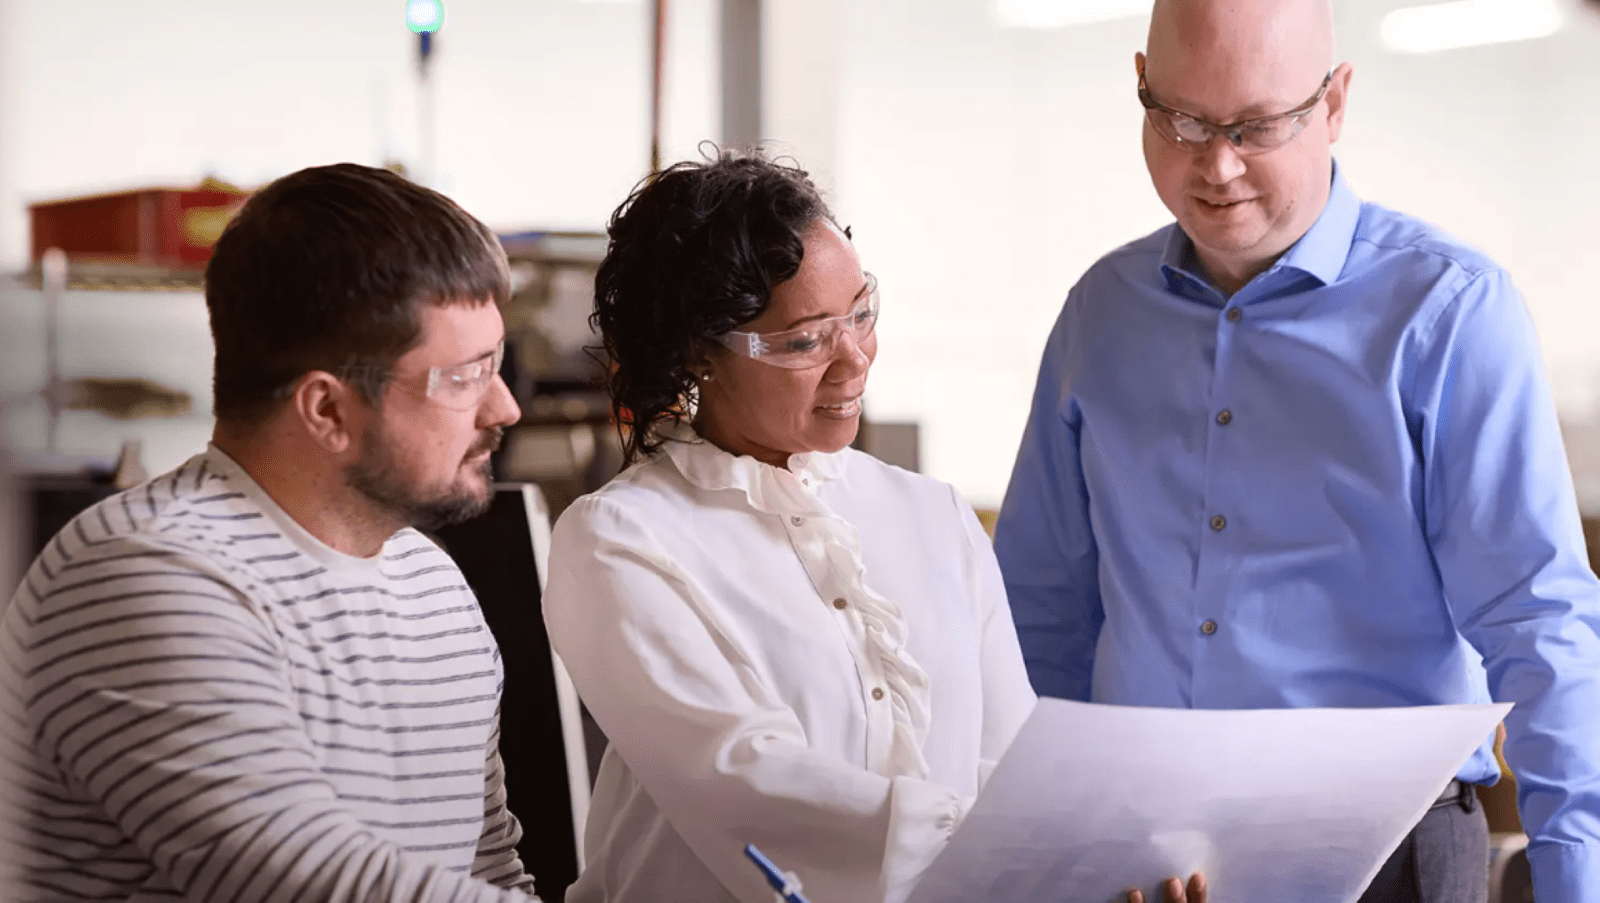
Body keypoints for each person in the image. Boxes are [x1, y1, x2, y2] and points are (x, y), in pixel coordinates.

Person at [993, 1, 1600, 901]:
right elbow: (1035, 621)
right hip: (1145, 854)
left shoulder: (1448, 314)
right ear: (1141, 88)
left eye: (1258, 126)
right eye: (1183, 121)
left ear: (1336, 102)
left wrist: (1576, 881)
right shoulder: (1101, 314)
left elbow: (1540, 625)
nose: (1218, 164)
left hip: (1388, 852)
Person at [541, 148, 1204, 903]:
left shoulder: (935, 517)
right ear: (700, 355)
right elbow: (751, 792)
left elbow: (1013, 766)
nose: (854, 359)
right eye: (805, 340)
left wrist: (1111, 862)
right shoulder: (619, 542)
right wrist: (1045, 854)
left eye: (861, 312)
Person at [0, 163, 540, 902]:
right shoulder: (143, 572)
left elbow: (485, 870)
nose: (504, 408)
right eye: (465, 377)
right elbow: (300, 878)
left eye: (497, 365)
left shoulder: (431, 583)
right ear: (327, 410)